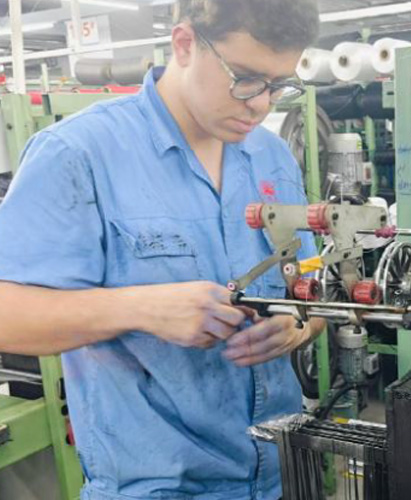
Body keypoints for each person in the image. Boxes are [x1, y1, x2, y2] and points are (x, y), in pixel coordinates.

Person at [0, 0, 324, 498]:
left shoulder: (272, 157)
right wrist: (141, 308)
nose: (261, 105)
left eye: (279, 84)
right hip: (159, 487)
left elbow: (313, 287)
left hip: (284, 473)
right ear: (185, 43)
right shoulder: (79, 153)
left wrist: (299, 326)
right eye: (245, 79)